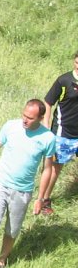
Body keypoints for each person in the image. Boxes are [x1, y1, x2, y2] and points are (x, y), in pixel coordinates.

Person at [0, 99, 55, 268]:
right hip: (1, 183)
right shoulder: (11, 126)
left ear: (40, 118)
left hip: (23, 191)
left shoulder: (48, 138)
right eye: (24, 115)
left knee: (13, 229)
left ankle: (1, 260)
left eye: (30, 118)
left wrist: (40, 199)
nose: (25, 120)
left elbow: (47, 169)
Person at [34, 50, 78, 215]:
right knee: (55, 168)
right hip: (62, 132)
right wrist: (46, 126)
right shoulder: (64, 81)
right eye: (77, 62)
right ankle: (44, 200)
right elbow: (48, 101)